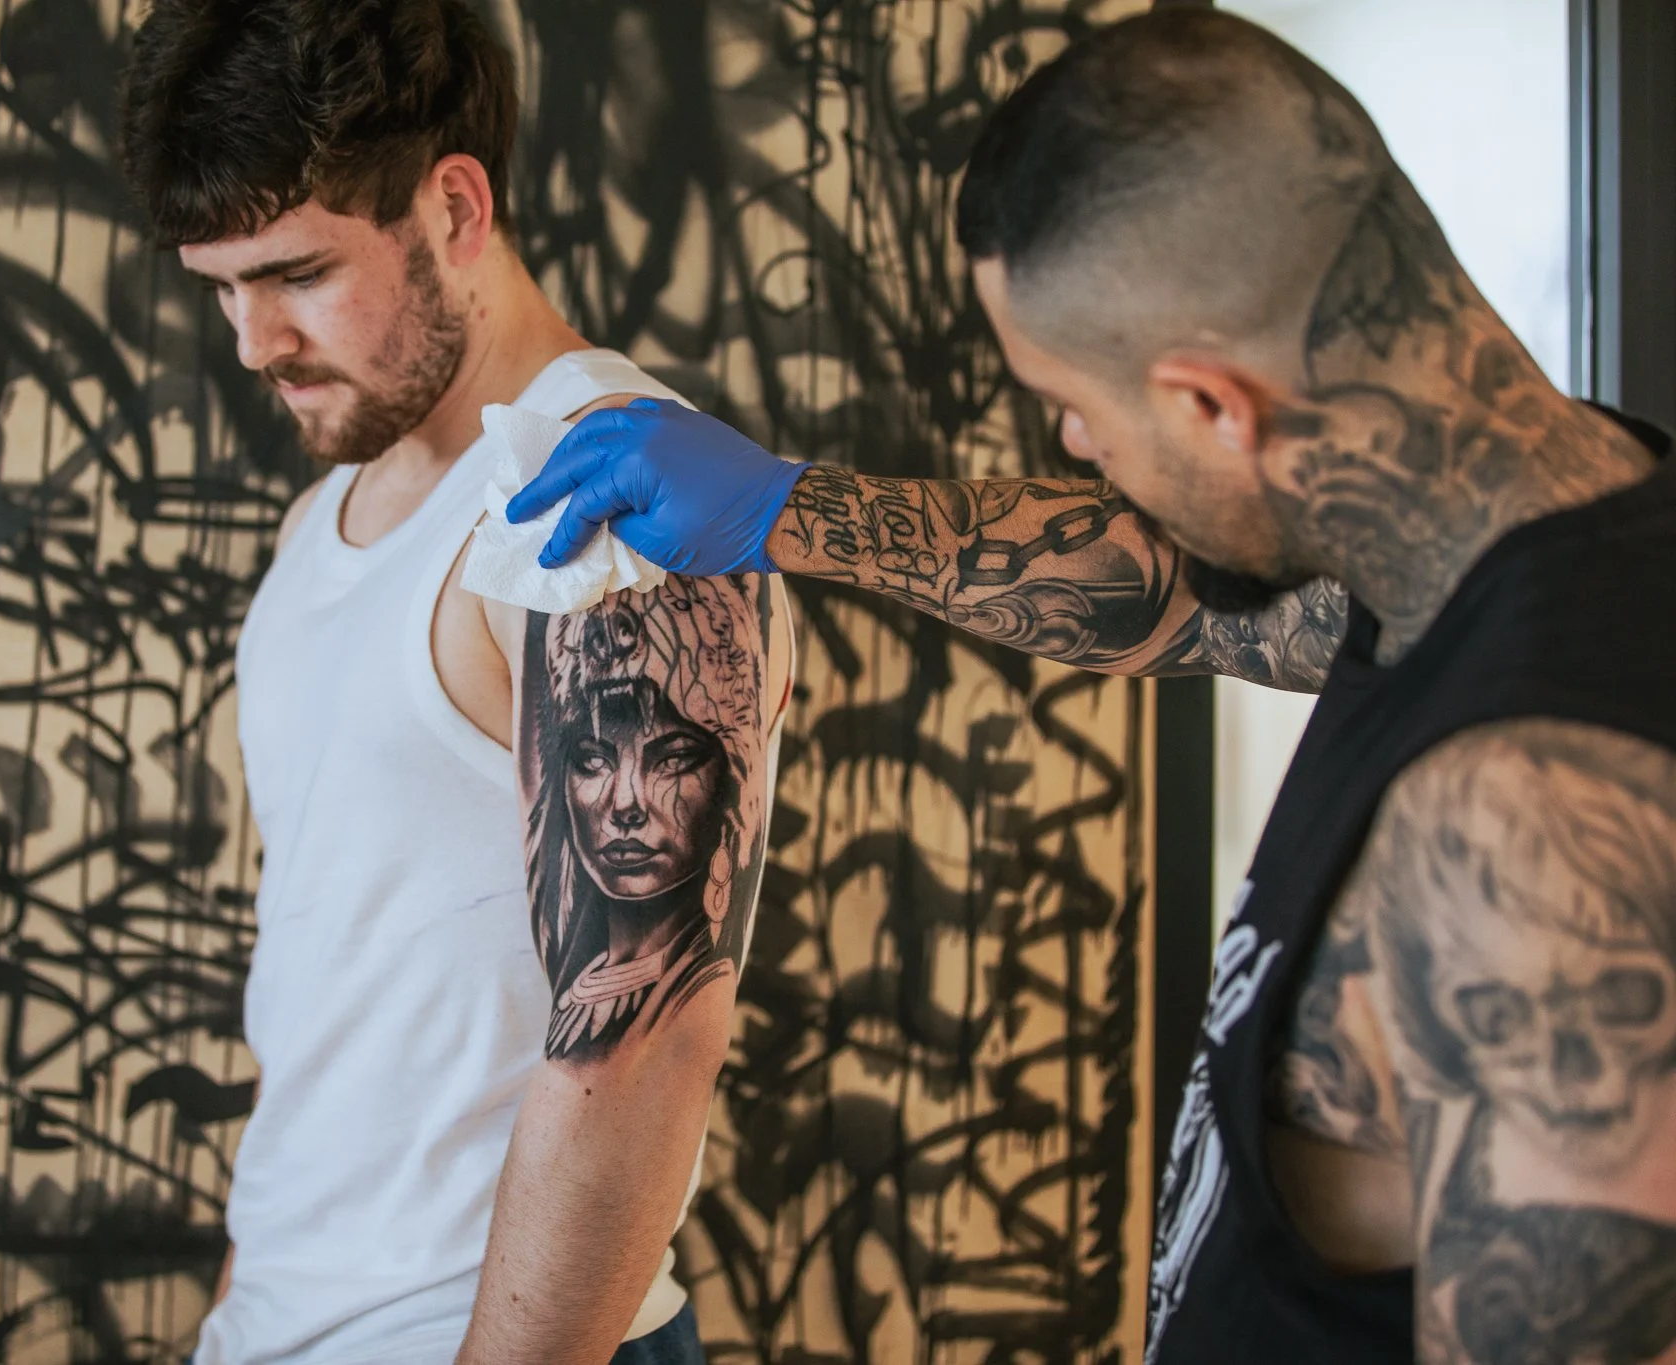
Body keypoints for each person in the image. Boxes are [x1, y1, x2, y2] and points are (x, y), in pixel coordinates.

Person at [506, 10, 1676, 1364]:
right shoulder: (1528, 541)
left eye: (1074, 408)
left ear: (1210, 405)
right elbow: (1182, 595)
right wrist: (790, 510)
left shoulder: (1538, 838)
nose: (1072, 443)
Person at [117, 3, 793, 1362]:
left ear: (456, 208)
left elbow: (648, 1038)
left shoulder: (611, 500)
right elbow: (334, 982)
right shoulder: (328, 517)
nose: (253, 341)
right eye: (223, 287)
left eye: (298, 273)